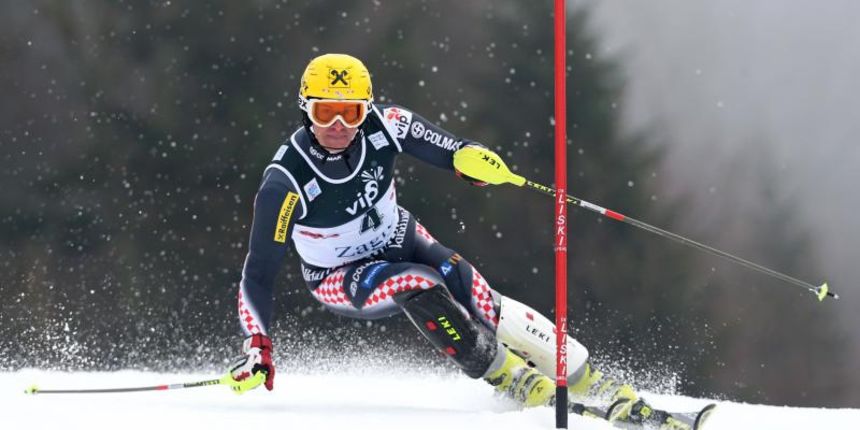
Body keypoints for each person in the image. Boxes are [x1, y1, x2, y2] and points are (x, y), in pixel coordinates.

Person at [227, 53, 652, 423]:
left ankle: (586, 376)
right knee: (420, 285)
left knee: (477, 293)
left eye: (352, 113)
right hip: (340, 275)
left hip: (400, 236)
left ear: (367, 109)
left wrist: (474, 161)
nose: (338, 126)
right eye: (325, 113)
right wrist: (258, 343)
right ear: (306, 109)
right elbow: (258, 274)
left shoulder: (388, 124)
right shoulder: (285, 183)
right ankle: (515, 380)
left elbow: (452, 149)